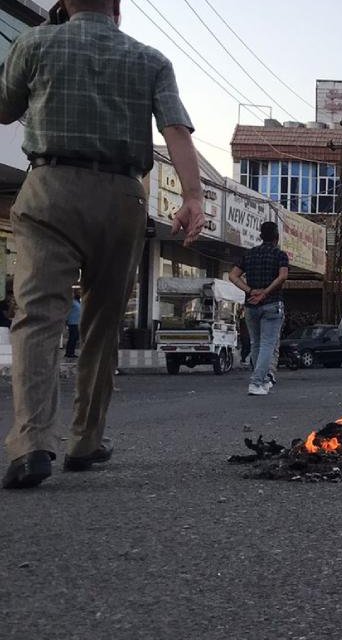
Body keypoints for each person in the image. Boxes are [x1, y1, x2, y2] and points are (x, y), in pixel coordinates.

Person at [1, 0, 203, 489]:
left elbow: (5, 109)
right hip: (121, 197)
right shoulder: (150, 58)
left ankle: (31, 443)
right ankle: (85, 439)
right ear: (117, 7)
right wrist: (193, 196)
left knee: (38, 318)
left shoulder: (35, 43)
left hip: (50, 189)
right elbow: (175, 129)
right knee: (102, 322)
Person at [229, 220, 289, 396]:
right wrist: (266, 292)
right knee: (268, 345)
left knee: (256, 344)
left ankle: (261, 381)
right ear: (276, 238)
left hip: (251, 305)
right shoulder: (280, 255)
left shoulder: (249, 254)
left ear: (261, 236)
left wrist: (250, 291)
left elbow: (233, 276)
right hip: (272, 304)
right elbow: (283, 276)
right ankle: (256, 382)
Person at [64, 293, 81, 359]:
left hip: (76, 323)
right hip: (72, 322)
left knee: (74, 338)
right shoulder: (72, 302)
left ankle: (70, 352)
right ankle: (69, 353)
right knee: (72, 338)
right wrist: (66, 321)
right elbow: (67, 311)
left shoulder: (77, 303)